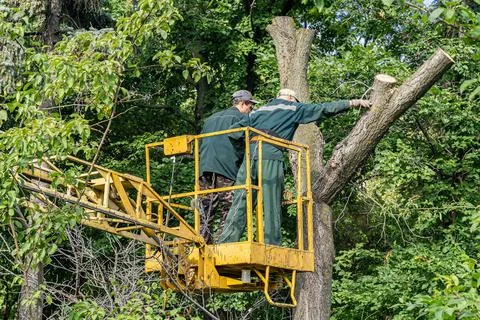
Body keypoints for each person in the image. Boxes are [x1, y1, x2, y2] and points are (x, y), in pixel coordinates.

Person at [218, 88, 371, 245]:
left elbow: (233, 132)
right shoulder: (292, 107)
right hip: (270, 154)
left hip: (250, 157)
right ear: (291, 97)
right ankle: (271, 244)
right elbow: (322, 108)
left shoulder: (260, 110)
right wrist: (352, 103)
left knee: (241, 199)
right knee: (271, 201)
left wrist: (249, 143)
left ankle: (226, 241)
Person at [198, 90, 258, 243]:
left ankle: (201, 243)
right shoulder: (242, 118)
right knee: (230, 207)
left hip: (204, 168)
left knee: (205, 208)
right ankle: (222, 244)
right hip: (226, 168)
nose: (251, 109)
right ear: (243, 103)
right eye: (250, 105)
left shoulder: (211, 118)